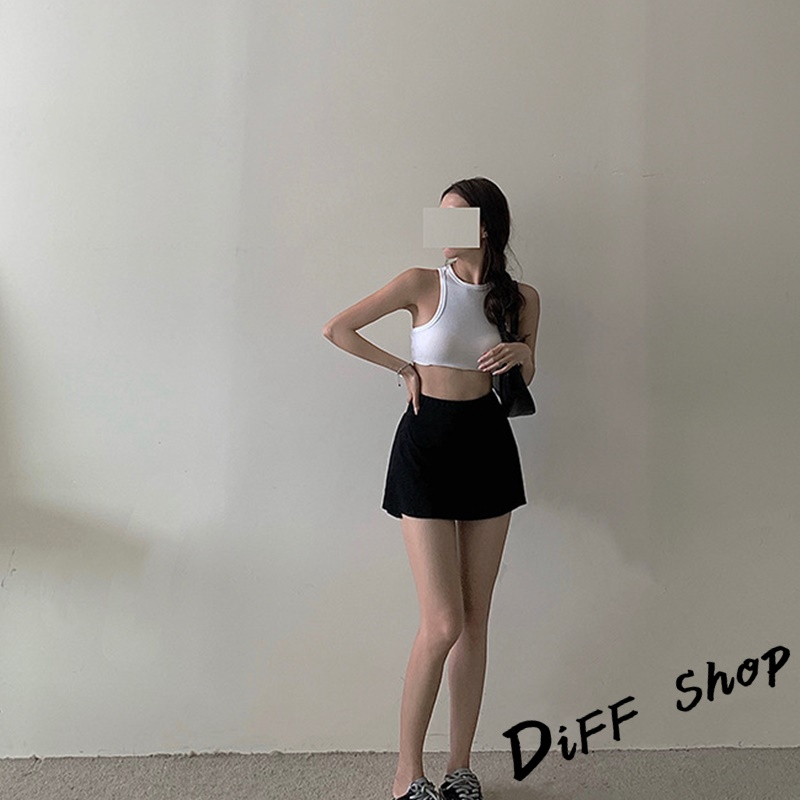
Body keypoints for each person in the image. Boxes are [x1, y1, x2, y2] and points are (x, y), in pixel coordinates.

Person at [322, 177, 540, 800]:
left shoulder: (521, 298)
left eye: (455, 218)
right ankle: (406, 772)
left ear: (486, 227)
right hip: (425, 446)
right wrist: (402, 368)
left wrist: (519, 356)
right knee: (442, 622)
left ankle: (459, 768)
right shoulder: (421, 284)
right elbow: (339, 328)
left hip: (488, 445)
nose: (440, 230)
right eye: (437, 217)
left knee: (474, 620)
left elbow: (529, 372)